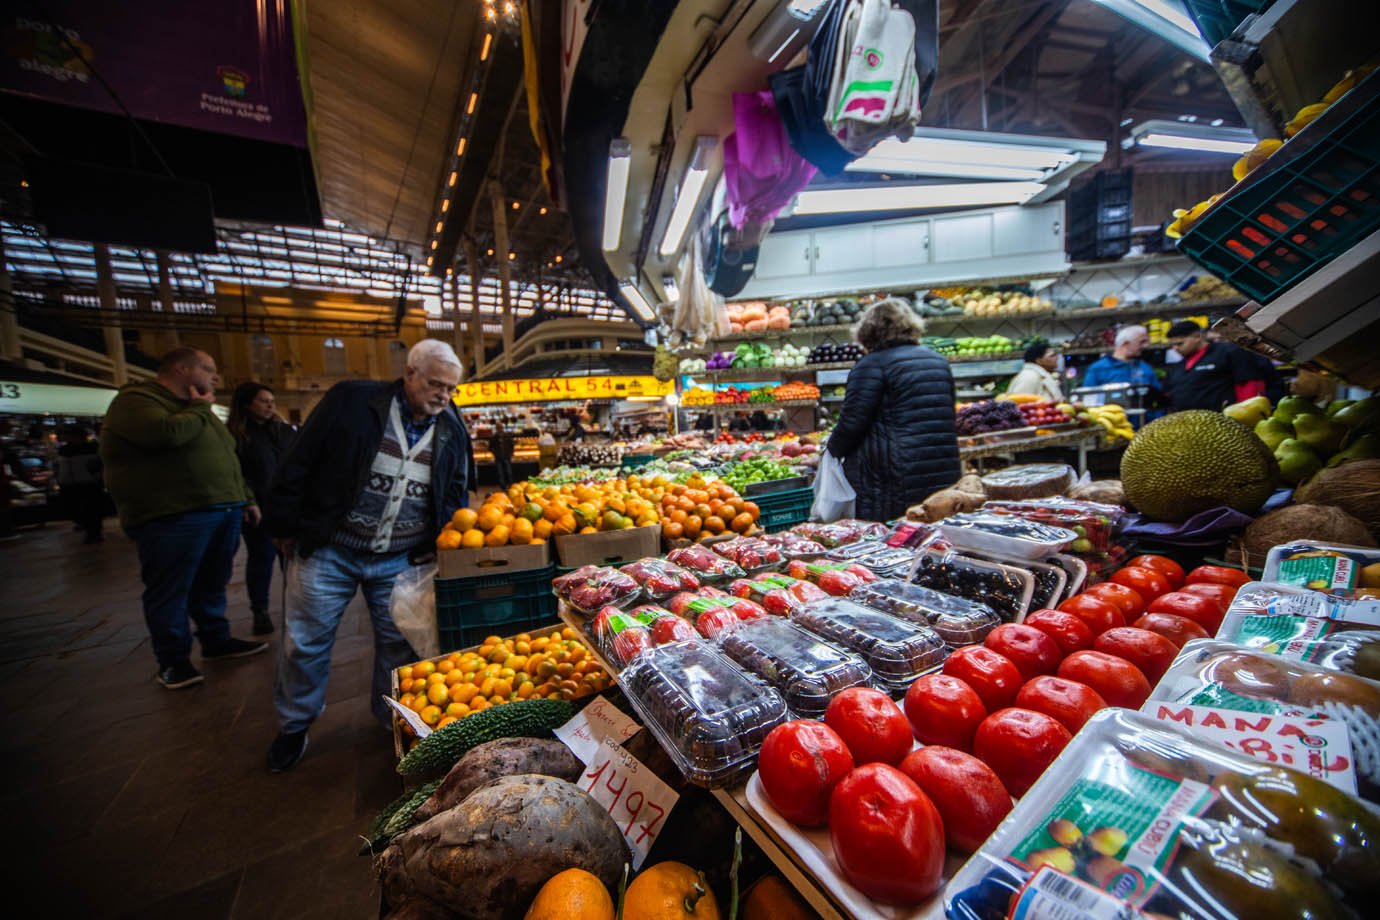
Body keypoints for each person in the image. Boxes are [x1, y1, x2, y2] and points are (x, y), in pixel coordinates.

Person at [263, 339, 472, 773]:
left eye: (451, 389)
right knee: (305, 642)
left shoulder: (451, 423)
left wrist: (446, 541)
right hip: (330, 548)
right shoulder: (352, 402)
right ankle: (295, 725)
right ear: (409, 373)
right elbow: (299, 460)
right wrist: (283, 524)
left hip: (401, 557)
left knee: (400, 646)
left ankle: (391, 721)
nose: (443, 396)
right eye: (436, 384)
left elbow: (455, 488)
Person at [101, 347, 268, 690]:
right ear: (181, 368)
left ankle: (215, 640)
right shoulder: (136, 401)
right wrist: (199, 409)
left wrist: (245, 498)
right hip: (173, 514)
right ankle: (173, 661)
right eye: (208, 368)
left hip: (223, 508)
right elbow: (165, 435)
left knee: (212, 581)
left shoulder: (200, 412)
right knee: (171, 589)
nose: (216, 376)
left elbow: (226, 457)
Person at [827, 298, 961, 522]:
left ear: (868, 331)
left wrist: (831, 451)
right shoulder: (938, 361)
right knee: (936, 535)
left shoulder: (872, 365)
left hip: (892, 477)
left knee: (894, 538)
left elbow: (851, 424)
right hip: (942, 470)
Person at [228, 383, 295, 635]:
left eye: (272, 401)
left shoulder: (282, 430)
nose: (270, 406)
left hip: (286, 507)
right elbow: (236, 473)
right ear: (247, 404)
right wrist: (248, 501)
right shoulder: (238, 435)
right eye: (263, 401)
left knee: (291, 562)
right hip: (258, 508)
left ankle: (295, 608)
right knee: (261, 558)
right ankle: (260, 610)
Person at [1163, 319, 1268, 412]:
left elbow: (1250, 384)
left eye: (1180, 343)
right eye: (1172, 345)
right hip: (1188, 424)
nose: (1175, 348)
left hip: (1226, 421)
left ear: (1197, 337)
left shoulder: (1229, 352)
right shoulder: (1178, 366)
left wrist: (1249, 415)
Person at [55, 424, 105, 544]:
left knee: (91, 509)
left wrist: (97, 477)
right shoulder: (64, 450)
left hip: (89, 484)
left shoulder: (93, 448)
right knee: (77, 509)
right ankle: (88, 527)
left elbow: (100, 465)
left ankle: (93, 532)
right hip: (71, 484)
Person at [1081, 324, 1160, 390]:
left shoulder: (1145, 368)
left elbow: (1158, 399)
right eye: (1141, 342)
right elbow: (1088, 398)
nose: (1146, 346)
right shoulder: (1098, 369)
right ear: (1125, 344)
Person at [490, 420, 515, 490]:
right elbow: (490, 447)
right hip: (499, 457)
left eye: (500, 427)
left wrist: (511, 453)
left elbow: (512, 445)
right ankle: (503, 486)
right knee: (501, 473)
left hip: (506, 456)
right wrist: (495, 453)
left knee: (508, 472)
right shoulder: (494, 437)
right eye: (498, 427)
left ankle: (510, 485)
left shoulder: (507, 436)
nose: (500, 429)